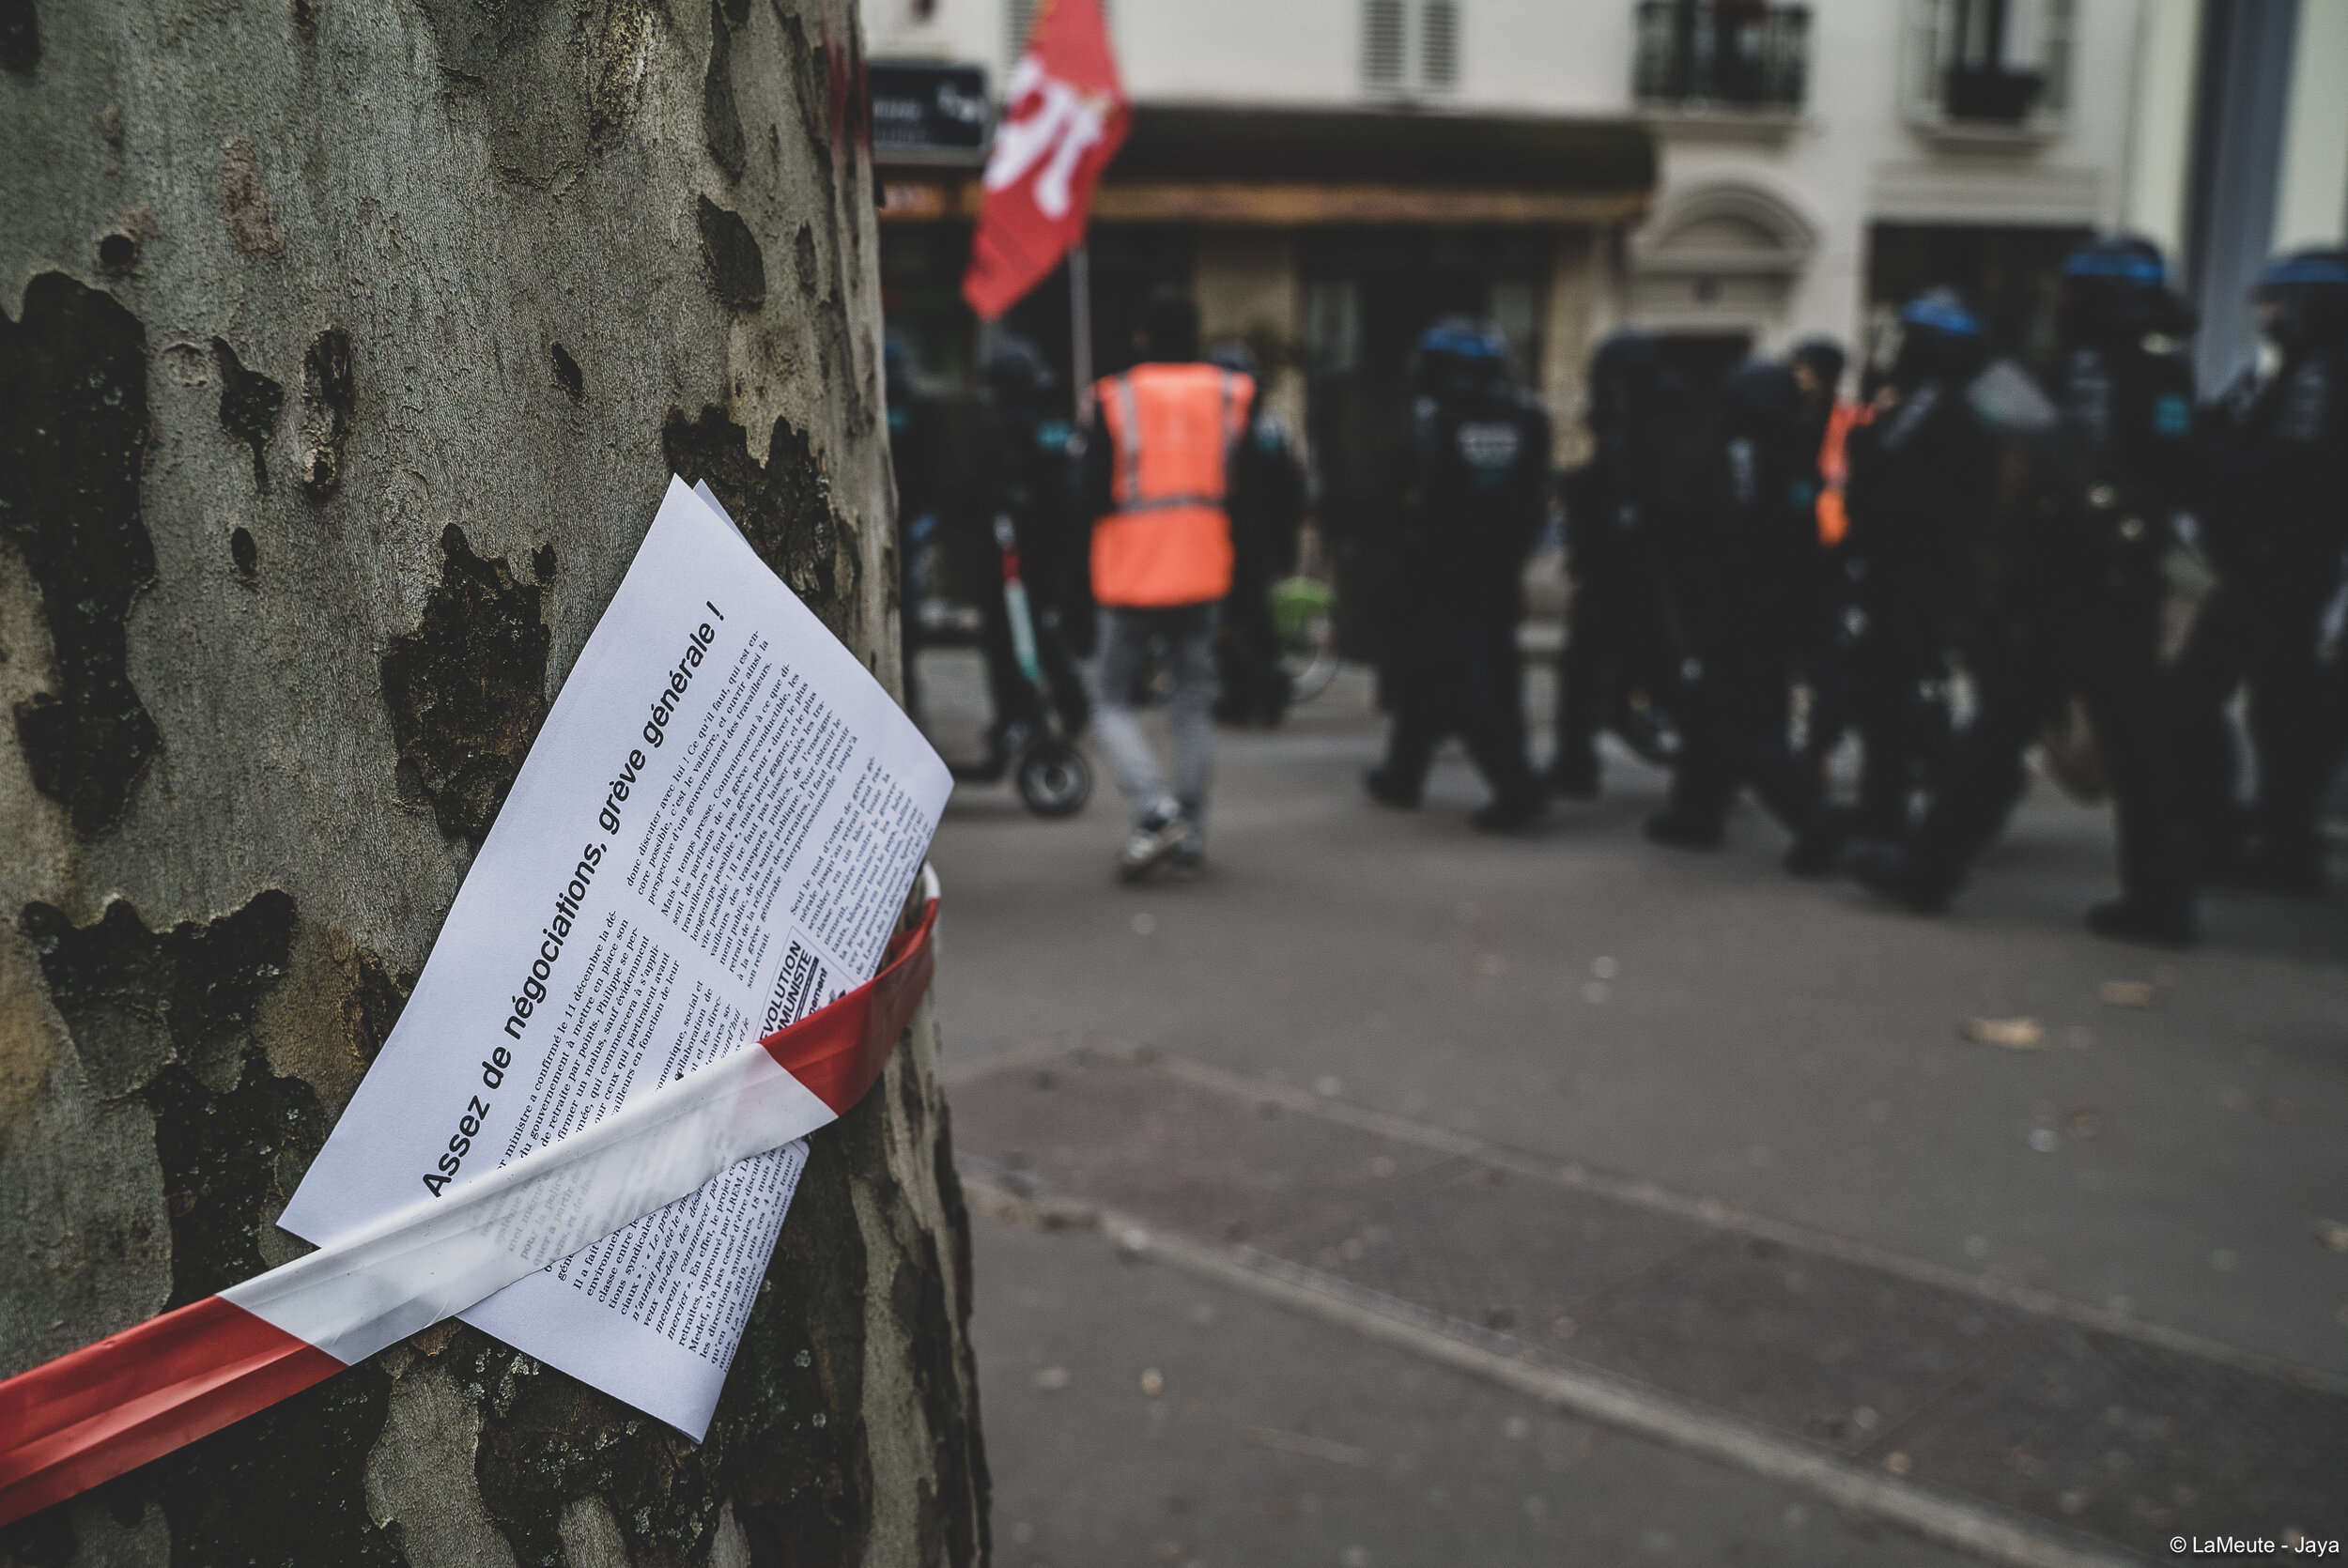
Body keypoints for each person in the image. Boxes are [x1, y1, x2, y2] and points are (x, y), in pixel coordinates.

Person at [1848, 239, 2203, 945]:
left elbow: (2072, 466)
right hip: (2088, 583)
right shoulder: (2138, 369)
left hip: (2086, 586)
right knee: (2092, 740)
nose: (2062, 306)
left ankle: (1931, 869)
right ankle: (2157, 897)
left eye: (2074, 294)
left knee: (2033, 732)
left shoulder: (2118, 372)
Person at [2178, 248, 2348, 895]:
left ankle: (2245, 838)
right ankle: (2278, 840)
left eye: (2278, 302)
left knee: (2201, 697)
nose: (2267, 315)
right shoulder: (2288, 375)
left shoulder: (2321, 379)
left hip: (2278, 570)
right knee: (2281, 710)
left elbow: (2284, 474)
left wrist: (2208, 469)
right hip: (2270, 568)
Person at [1643, 341, 1849, 872]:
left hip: (1738, 610)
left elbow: (1706, 532)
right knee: (1720, 718)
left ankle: (1817, 825)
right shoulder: (1797, 451)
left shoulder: (1738, 454)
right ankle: (1697, 812)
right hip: (1771, 608)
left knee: (1746, 726)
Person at [1076, 290, 1255, 881]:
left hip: (1129, 575)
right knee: (1190, 705)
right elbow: (1253, 492)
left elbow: (1090, 493)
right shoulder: (1230, 394)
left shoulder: (1115, 396)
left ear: (1142, 337)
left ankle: (1155, 809)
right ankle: (1191, 834)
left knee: (1110, 700)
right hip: (1204, 572)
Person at [1364, 318, 1551, 831]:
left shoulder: (1429, 419)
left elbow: (1403, 495)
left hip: (1439, 573)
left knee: (1461, 680)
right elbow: (1537, 497)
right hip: (1499, 571)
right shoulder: (1527, 416)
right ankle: (1403, 774)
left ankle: (1516, 790)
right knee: (1458, 675)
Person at [1839, 290, 1995, 846]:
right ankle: (1906, 810)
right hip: (1910, 575)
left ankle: (1906, 818)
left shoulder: (1938, 403)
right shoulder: (1929, 400)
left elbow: (1888, 479)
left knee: (1893, 697)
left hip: (1916, 578)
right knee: (1889, 695)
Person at [1549, 331, 1697, 798]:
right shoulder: (1664, 414)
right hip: (1637, 572)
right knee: (1652, 673)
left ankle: (1577, 766)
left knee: (1595, 671)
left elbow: (1623, 494)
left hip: (1628, 574)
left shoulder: (1637, 421)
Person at [980, 335, 1090, 741]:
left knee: (1015, 633)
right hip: (1047, 544)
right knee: (1037, 629)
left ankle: (1023, 712)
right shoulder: (1052, 417)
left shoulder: (1022, 422)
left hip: (1027, 546)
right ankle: (1053, 705)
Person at [1204, 339, 1307, 728]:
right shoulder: (1273, 428)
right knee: (1258, 622)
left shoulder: (1223, 430)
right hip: (1264, 543)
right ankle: (1265, 693)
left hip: (1231, 542)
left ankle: (1244, 695)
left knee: (1233, 623)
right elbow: (1293, 493)